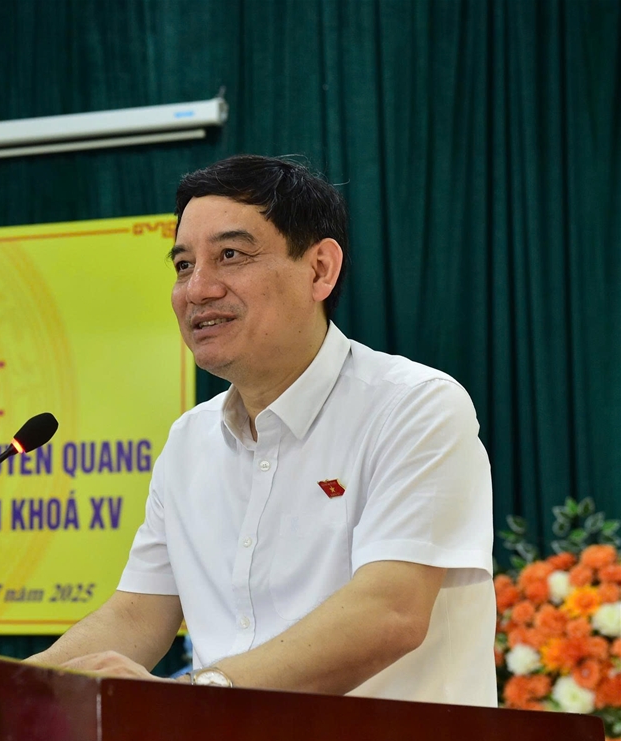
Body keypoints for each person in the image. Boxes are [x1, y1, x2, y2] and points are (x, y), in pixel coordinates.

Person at [27, 155, 497, 706]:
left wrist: (197, 699)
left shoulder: (413, 406)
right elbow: (138, 614)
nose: (197, 289)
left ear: (319, 269)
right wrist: (1, 690)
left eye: (230, 255)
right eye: (183, 265)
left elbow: (389, 612)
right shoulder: (190, 441)